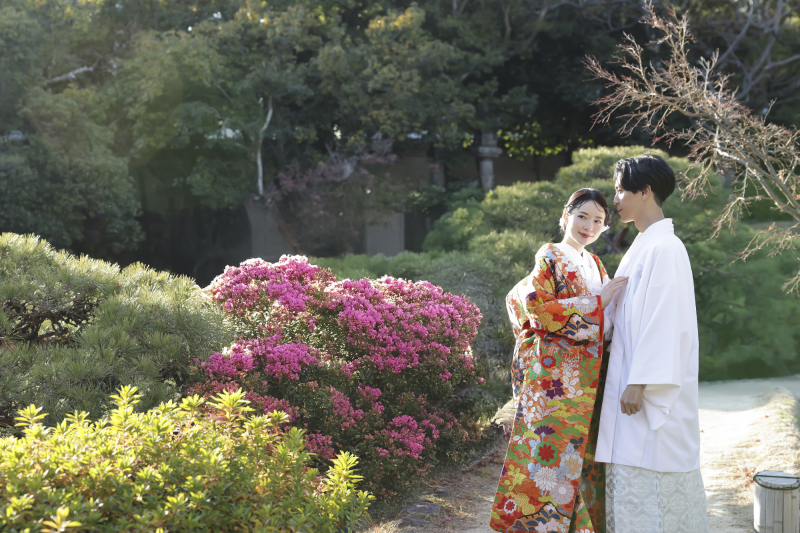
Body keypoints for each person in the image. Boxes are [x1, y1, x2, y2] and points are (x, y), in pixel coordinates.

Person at [491, 188, 628, 533]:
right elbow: (538, 309)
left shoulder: (595, 263)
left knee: (581, 455)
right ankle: (535, 525)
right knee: (550, 452)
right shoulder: (551, 255)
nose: (589, 225)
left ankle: (581, 526)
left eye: (598, 220)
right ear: (566, 217)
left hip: (588, 374)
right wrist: (598, 303)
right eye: (582, 216)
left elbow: (610, 318)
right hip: (556, 378)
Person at [595, 155, 709, 533]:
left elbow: (665, 321)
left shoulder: (666, 248)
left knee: (654, 482)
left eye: (621, 190)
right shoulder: (643, 245)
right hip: (629, 375)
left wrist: (640, 381)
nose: (615, 200)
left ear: (645, 192)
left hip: (643, 384)